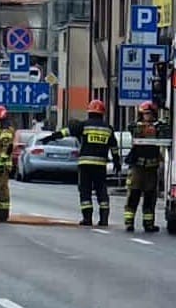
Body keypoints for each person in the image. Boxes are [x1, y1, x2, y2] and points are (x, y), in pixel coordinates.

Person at [43, 99, 120, 226]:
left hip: (85, 164)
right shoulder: (108, 129)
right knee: (101, 190)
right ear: (102, 113)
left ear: (89, 112)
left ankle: (87, 219)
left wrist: (51, 137)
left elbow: (66, 132)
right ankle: (104, 219)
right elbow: (114, 147)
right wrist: (117, 162)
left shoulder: (84, 125)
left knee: (85, 190)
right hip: (100, 165)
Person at [124, 101, 162, 233]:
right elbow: (132, 128)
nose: (148, 116)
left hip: (151, 169)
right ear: (140, 115)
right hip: (137, 168)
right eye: (145, 114)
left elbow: (164, 132)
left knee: (150, 199)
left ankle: (148, 224)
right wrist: (144, 127)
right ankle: (129, 222)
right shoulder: (136, 127)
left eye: (150, 114)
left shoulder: (159, 127)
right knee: (133, 196)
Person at [0, 105, 14, 222]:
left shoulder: (5, 129)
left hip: (3, 163)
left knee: (0, 188)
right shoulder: (5, 127)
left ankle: (1, 213)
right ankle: (2, 212)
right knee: (1, 188)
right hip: (4, 162)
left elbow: (6, 147)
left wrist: (1, 162)